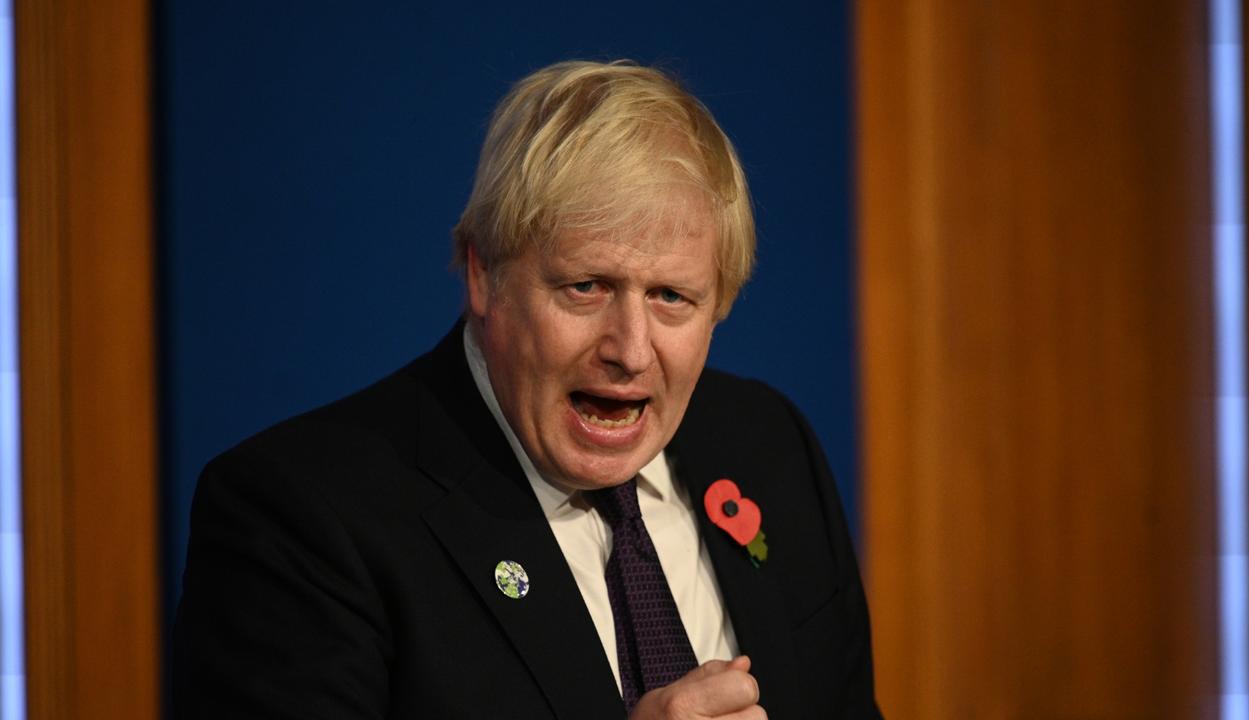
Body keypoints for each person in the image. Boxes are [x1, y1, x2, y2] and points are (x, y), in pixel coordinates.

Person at [173, 60, 882, 719]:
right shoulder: (300, 520)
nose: (630, 351)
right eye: (586, 287)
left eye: (671, 296)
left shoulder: (769, 444)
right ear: (484, 274)